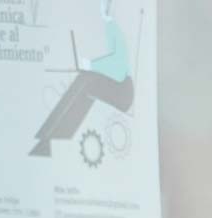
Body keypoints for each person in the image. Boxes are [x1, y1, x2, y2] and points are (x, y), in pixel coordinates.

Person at [30, 0, 136, 158]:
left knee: (86, 80)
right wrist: (89, 66)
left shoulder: (115, 29)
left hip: (123, 91)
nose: (102, 7)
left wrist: (91, 65)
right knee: (84, 81)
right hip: (117, 85)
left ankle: (48, 139)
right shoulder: (109, 28)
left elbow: (118, 67)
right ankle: (51, 137)